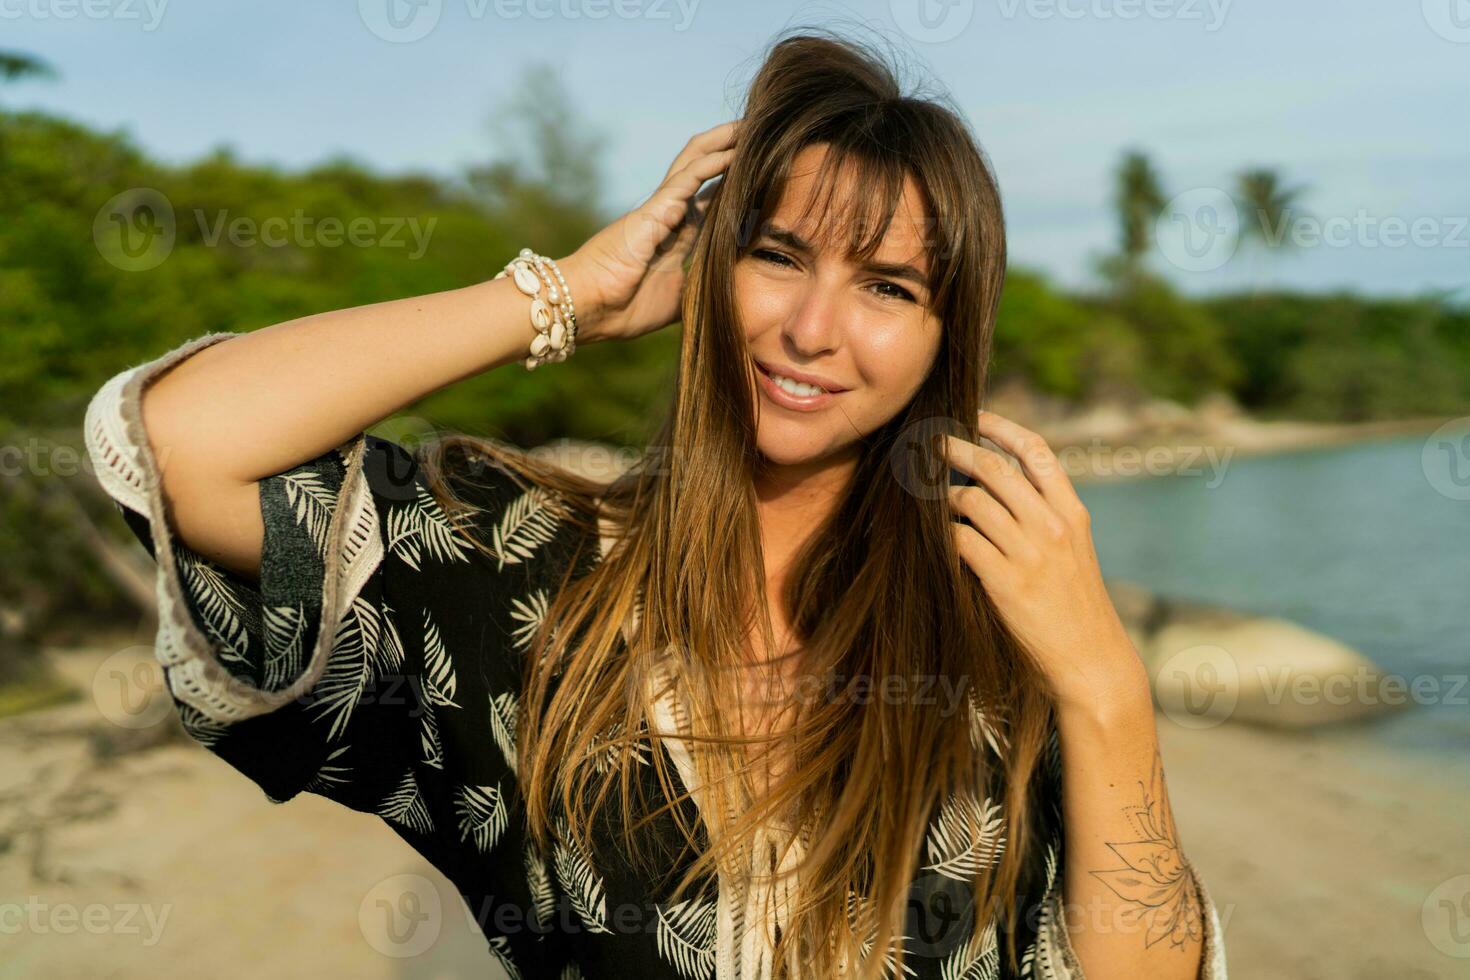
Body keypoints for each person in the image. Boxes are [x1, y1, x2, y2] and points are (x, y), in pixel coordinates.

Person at [83, 29, 1227, 980]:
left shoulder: (995, 654)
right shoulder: (528, 570)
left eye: (886, 286)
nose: (814, 330)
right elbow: (177, 443)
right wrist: (566, 292)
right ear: (709, 274)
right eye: (778, 257)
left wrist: (1106, 684)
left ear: (944, 338)